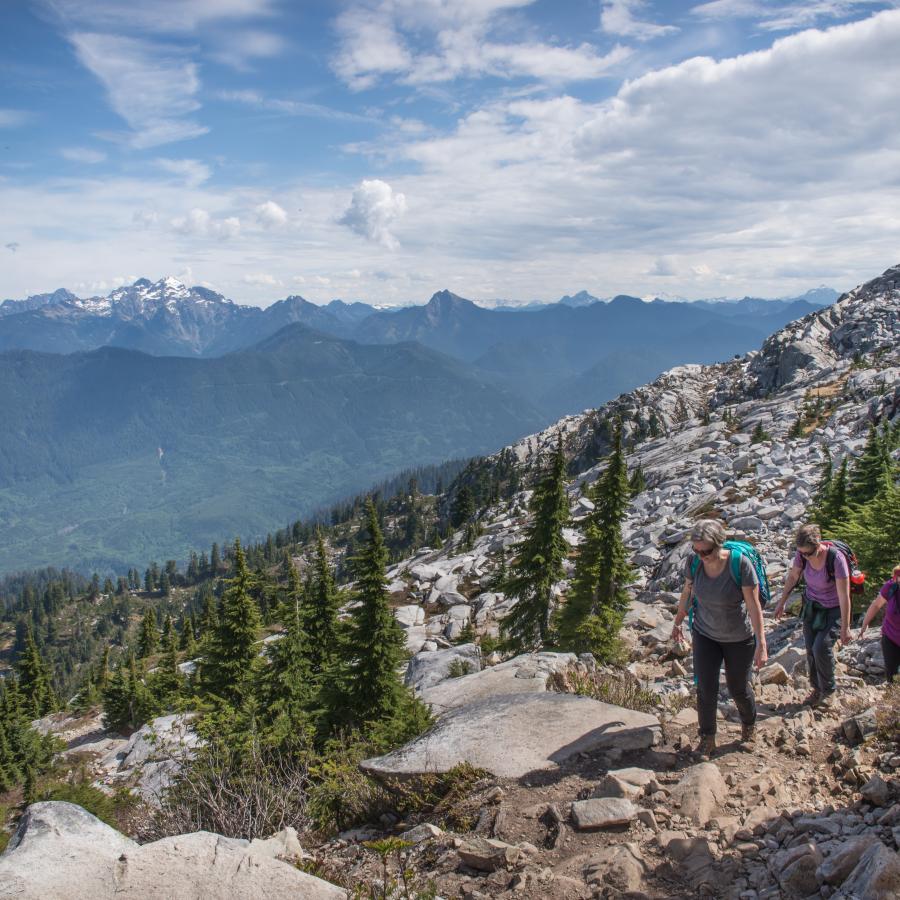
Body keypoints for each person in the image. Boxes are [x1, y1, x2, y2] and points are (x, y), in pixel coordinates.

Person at [671, 519, 768, 759]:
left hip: (739, 638)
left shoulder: (740, 565)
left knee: (738, 687)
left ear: (719, 545)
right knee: (705, 687)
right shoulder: (694, 563)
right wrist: (678, 619)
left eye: (706, 550)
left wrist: (762, 644)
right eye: (697, 550)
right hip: (705, 633)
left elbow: (754, 607)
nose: (702, 555)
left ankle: (749, 725)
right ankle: (707, 738)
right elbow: (687, 590)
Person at [774, 523, 852, 709]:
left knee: (821, 647)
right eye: (802, 553)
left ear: (818, 546)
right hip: (812, 606)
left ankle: (829, 691)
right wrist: (782, 601)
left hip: (833, 609)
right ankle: (816, 689)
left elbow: (844, 595)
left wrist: (845, 627)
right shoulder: (802, 556)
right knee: (810, 648)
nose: (805, 557)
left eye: (809, 553)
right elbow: (793, 577)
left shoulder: (835, 559)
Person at [859, 565, 900, 684]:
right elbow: (876, 605)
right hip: (890, 635)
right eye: (897, 577)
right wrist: (864, 624)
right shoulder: (891, 586)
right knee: (893, 675)